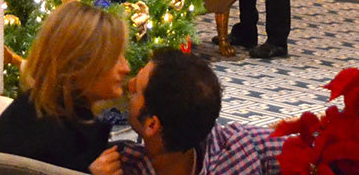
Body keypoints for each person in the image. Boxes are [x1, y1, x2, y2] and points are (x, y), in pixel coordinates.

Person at [0, 0, 130, 173]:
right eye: (116, 57)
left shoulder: (71, 118)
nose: (126, 68)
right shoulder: (39, 125)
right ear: (82, 62)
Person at [116, 48, 279, 175]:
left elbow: (302, 150)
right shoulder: (243, 143)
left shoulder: (242, 146)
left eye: (136, 89)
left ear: (152, 124)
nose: (128, 84)